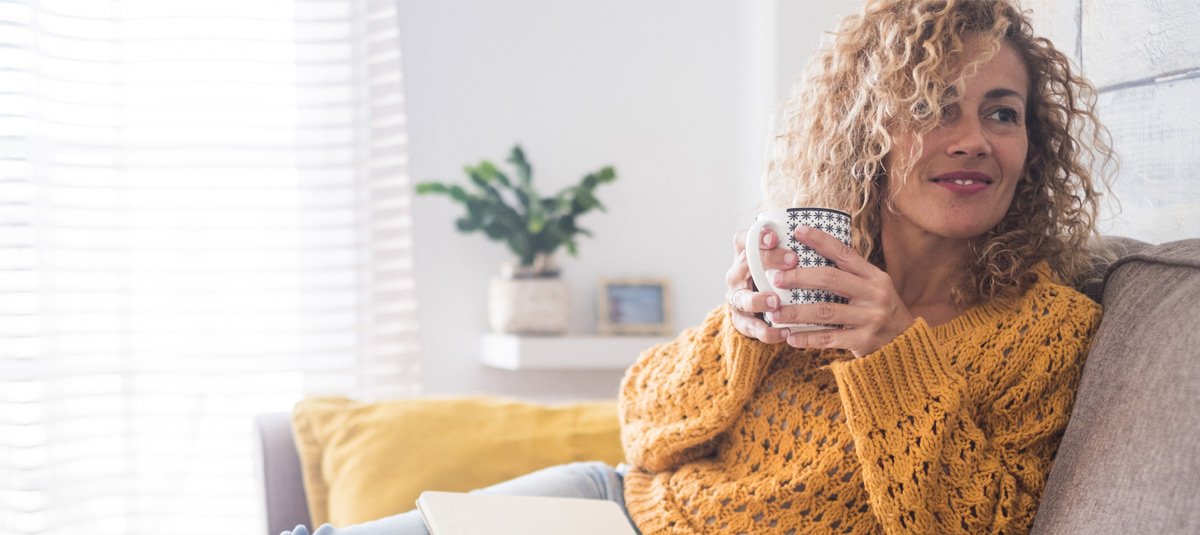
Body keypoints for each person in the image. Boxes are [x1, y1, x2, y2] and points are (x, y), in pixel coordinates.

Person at [283, 0, 1113, 533]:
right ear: (871, 137)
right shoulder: (812, 266)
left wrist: (892, 349)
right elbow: (644, 426)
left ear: (1030, 147)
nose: (972, 138)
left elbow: (981, 522)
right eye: (932, 108)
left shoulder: (1050, 330)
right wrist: (739, 330)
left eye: (1001, 113)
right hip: (612, 505)